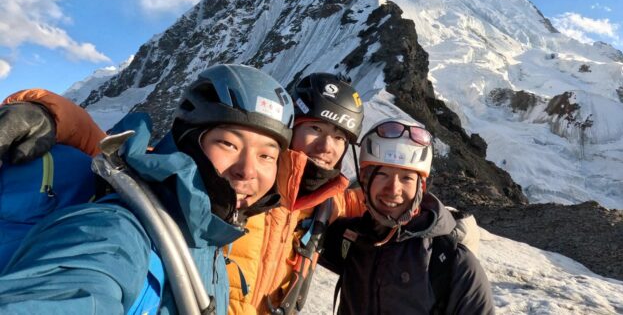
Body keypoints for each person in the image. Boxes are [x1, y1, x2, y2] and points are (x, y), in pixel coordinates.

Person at [0, 64, 294, 315]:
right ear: (188, 142)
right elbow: (76, 287)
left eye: (266, 155)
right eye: (229, 144)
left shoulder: (210, 239)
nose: (248, 170)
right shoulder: (114, 230)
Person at [321, 118, 495, 314]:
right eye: (383, 174)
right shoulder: (349, 238)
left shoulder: (453, 264)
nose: (393, 189)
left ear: (420, 187)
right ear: (364, 179)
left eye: (406, 178)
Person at [226, 72, 367, 314]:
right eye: (315, 128)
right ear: (291, 127)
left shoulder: (326, 203)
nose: (326, 147)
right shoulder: (242, 180)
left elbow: (376, 203)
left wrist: (432, 212)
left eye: (338, 137)